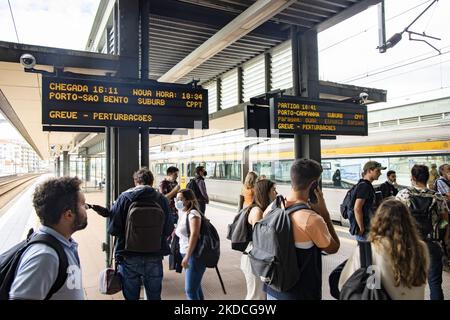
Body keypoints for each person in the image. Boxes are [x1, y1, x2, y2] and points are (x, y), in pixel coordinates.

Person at [92, 168, 173, 300]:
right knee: (154, 296)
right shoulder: (161, 199)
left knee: (131, 296)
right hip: (155, 255)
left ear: (136, 182)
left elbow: (113, 230)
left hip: (128, 256)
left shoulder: (124, 197)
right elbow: (169, 229)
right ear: (152, 182)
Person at [264, 159, 340, 300]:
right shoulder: (310, 219)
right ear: (313, 185)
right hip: (300, 294)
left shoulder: (272, 207)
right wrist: (325, 214)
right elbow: (333, 247)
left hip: (272, 289)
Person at [9, 177, 88, 300]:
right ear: (68, 214)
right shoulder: (44, 256)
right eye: (83, 204)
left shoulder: (63, 243)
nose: (87, 207)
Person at [339, 199, 429, 299]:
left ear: (378, 220)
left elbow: (344, 284)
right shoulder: (421, 248)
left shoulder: (369, 250)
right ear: (408, 221)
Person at [397, 164, 449, 300]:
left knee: (409, 284)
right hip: (432, 243)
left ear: (413, 178)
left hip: (409, 245)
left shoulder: (403, 195)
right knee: (435, 283)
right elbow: (445, 221)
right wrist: (441, 238)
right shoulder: (437, 197)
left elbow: (395, 221)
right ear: (427, 178)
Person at [240, 179, 277, 300]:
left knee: (259, 295)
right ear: (265, 192)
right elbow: (259, 239)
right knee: (256, 296)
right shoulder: (257, 211)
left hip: (257, 257)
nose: (276, 193)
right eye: (273, 190)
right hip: (253, 259)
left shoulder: (262, 209)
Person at [174, 189, 205, 300]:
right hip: (186, 252)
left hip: (194, 255)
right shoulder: (183, 212)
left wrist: (187, 256)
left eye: (180, 199)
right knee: (196, 287)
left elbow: (194, 234)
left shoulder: (193, 214)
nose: (177, 201)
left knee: (190, 290)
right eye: (176, 199)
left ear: (188, 200)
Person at [352, 161, 385, 240]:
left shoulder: (365, 184)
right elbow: (357, 208)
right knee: (366, 251)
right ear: (370, 171)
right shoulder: (364, 186)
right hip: (365, 230)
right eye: (378, 171)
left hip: (367, 228)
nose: (380, 173)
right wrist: (361, 227)